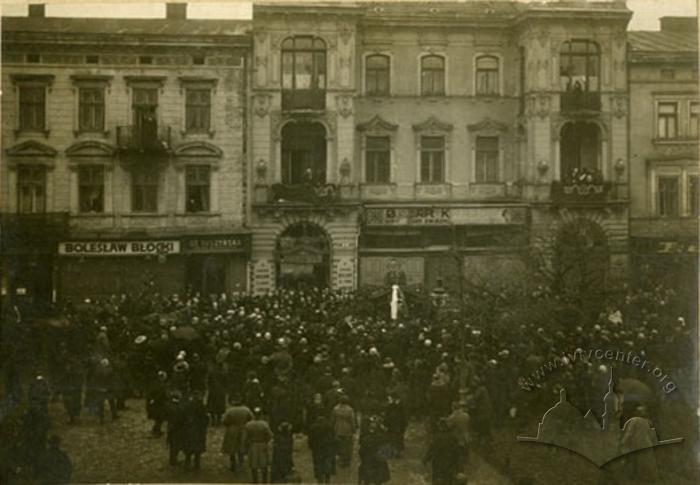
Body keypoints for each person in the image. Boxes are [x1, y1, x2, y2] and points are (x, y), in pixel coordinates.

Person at [222, 396, 254, 473]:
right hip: (243, 429)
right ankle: (241, 463)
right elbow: (251, 418)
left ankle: (233, 464)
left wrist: (229, 425)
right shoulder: (246, 409)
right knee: (241, 446)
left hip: (232, 430)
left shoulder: (230, 410)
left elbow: (224, 421)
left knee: (232, 447)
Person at [424, 418, 461, 485]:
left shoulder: (437, 437)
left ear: (440, 427)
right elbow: (457, 452)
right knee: (448, 480)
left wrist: (426, 459)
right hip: (450, 463)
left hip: (438, 462)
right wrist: (458, 463)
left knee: (436, 479)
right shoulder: (453, 438)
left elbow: (431, 449)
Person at [245, 408, 274, 483]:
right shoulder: (264, 424)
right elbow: (270, 435)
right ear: (261, 415)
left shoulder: (248, 425)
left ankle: (255, 481)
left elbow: (246, 437)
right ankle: (264, 481)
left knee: (253, 465)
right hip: (262, 445)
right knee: (264, 465)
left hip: (253, 445)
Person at [358, 418, 390, 485]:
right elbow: (386, 453)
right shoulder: (383, 439)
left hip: (367, 463)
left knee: (366, 479)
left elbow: (361, 452)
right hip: (379, 464)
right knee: (378, 480)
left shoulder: (365, 439)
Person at [182, 393, 209, 471]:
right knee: (198, 447)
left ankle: (187, 462)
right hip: (199, 431)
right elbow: (205, 419)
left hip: (189, 429)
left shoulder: (188, 407)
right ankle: (197, 463)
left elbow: (183, 417)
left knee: (188, 447)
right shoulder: (202, 407)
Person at [308, 415, 337, 484]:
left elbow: (310, 439)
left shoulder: (313, 427)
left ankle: (320, 480)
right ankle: (327, 479)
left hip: (317, 449)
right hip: (328, 449)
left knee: (318, 464)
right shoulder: (329, 426)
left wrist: (312, 447)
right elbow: (334, 437)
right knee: (327, 464)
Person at [331, 395, 356, 468]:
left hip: (338, 428)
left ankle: (341, 458)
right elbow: (352, 421)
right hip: (347, 429)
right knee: (348, 445)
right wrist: (353, 429)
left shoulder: (335, 408)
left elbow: (333, 419)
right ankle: (347, 460)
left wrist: (333, 428)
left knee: (339, 444)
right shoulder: (350, 409)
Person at [384, 392, 408, 458]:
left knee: (395, 438)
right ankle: (395, 452)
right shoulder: (398, 406)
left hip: (395, 425)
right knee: (396, 438)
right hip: (397, 425)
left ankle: (394, 452)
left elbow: (387, 416)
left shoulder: (392, 407)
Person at [146, 371, 168, 436]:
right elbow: (161, 395)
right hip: (159, 404)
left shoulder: (155, 384)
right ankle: (157, 431)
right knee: (159, 419)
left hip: (156, 404)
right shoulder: (161, 385)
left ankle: (156, 430)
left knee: (158, 419)